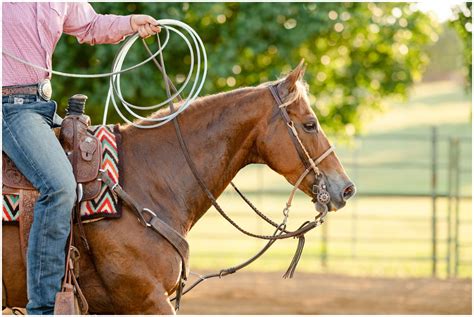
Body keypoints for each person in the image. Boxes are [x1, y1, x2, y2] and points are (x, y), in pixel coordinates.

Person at [2, 3, 160, 314]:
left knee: (98, 168)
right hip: (8, 108)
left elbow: (90, 26)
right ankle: (45, 307)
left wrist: (130, 22)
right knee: (59, 186)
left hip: (41, 107)